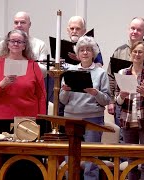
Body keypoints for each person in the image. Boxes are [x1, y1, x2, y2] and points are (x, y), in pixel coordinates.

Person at [0, 29, 46, 180]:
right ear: (7, 43)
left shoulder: (32, 65)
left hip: (26, 123)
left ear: (25, 45)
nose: (16, 44)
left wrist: (40, 123)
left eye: (20, 41)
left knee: (25, 166)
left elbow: (41, 96)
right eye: (13, 41)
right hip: (0, 121)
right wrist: (2, 84)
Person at [59, 36, 110, 180]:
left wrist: (95, 93)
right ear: (77, 53)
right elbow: (62, 100)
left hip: (93, 117)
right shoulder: (70, 71)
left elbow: (106, 100)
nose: (85, 52)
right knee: (70, 155)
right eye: (82, 50)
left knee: (91, 157)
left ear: (93, 53)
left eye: (88, 49)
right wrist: (65, 90)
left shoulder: (101, 73)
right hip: (71, 116)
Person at [115, 41, 144, 180]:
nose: (137, 54)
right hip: (128, 120)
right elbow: (117, 101)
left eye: (140, 52)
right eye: (135, 52)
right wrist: (121, 96)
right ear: (130, 54)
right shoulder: (123, 73)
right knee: (131, 161)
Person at [108, 17, 144, 126]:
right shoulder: (119, 51)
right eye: (132, 28)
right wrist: (111, 101)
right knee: (123, 139)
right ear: (128, 29)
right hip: (124, 106)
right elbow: (111, 77)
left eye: (139, 29)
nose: (135, 32)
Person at [0, 11, 49, 77]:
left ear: (29, 24)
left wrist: (23, 64)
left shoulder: (40, 45)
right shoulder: (2, 44)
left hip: (31, 83)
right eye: (16, 22)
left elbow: (44, 72)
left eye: (23, 22)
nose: (19, 25)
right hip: (6, 82)